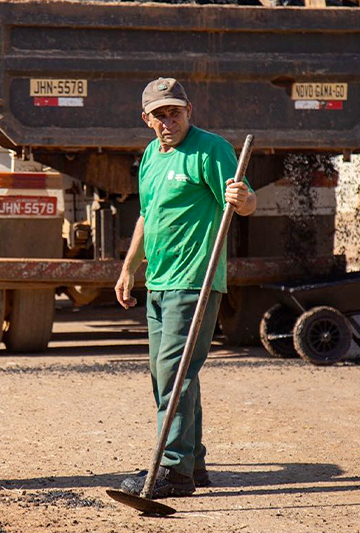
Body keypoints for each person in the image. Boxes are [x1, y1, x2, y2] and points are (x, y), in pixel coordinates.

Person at [114, 78, 256, 498]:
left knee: (174, 372)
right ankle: (192, 463)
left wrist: (241, 198)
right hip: (158, 279)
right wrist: (128, 269)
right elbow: (145, 215)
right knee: (172, 377)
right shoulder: (150, 157)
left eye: (175, 111)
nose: (168, 120)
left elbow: (246, 203)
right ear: (147, 119)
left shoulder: (211, 150)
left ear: (189, 110)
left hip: (195, 280)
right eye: (159, 114)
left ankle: (174, 470)